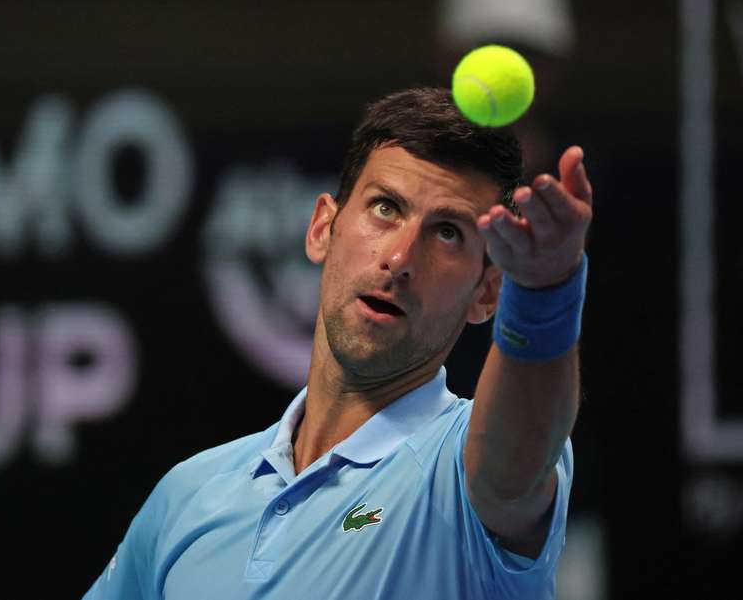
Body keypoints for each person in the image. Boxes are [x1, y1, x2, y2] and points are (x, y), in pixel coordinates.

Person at [83, 87, 592, 599]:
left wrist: (545, 292)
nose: (400, 258)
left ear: (487, 294)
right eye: (386, 208)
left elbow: (514, 470)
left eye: (447, 234)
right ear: (322, 226)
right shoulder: (188, 496)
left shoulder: (460, 468)